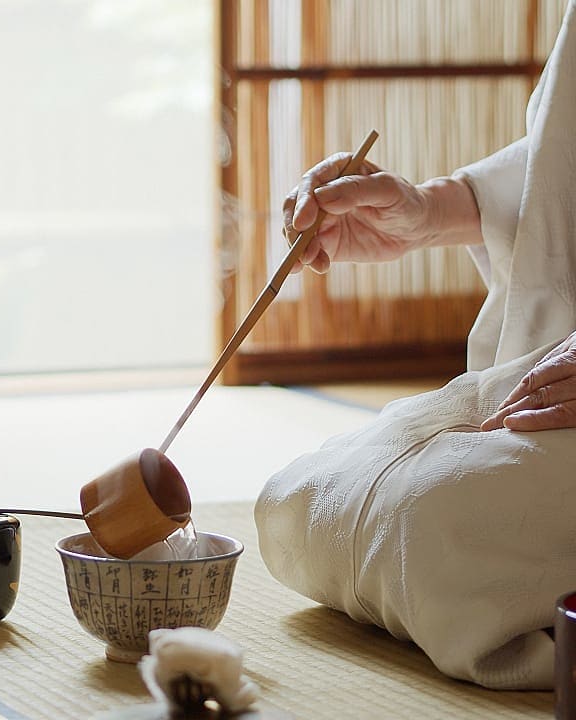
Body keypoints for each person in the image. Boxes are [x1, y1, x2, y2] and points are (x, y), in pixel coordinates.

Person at [255, 0, 576, 691]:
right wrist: (427, 212)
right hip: (556, 361)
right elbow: (560, 157)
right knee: (297, 503)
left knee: (438, 531)